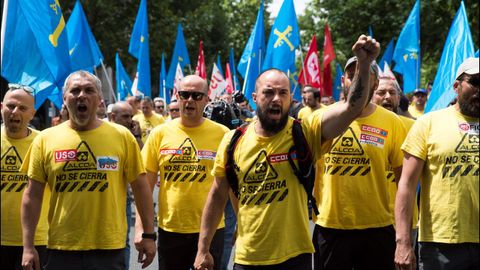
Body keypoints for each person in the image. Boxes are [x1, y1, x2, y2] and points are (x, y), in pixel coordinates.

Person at [194, 35, 380, 270]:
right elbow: (217, 195)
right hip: (248, 257)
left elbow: (351, 108)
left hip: (295, 258)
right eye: (268, 93)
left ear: (291, 98)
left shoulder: (306, 133)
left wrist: (364, 65)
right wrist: (203, 249)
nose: (276, 99)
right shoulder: (233, 141)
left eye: (283, 93)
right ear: (254, 98)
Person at [20, 71, 156, 270]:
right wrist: (28, 246)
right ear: (65, 99)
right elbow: (32, 196)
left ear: (100, 99)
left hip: (109, 248)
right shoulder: (45, 139)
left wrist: (149, 235)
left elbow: (141, 187)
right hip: (61, 248)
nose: (81, 95)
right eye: (75, 91)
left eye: (88, 90)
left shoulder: (122, 137)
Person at [311, 55, 406, 270]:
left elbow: (404, 184)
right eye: (351, 77)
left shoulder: (392, 122)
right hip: (330, 226)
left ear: (374, 83)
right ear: (342, 80)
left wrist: (403, 235)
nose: (356, 82)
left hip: (378, 227)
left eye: (362, 76)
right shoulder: (322, 118)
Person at [394, 57, 479, 270]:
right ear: (456, 86)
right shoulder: (428, 123)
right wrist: (403, 242)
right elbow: (406, 185)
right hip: (441, 243)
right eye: (475, 81)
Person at [140, 75, 229, 270]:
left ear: (207, 99)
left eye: (196, 95)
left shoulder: (223, 134)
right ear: (177, 97)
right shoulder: (160, 134)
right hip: (170, 229)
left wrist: (241, 224)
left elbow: (230, 184)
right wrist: (143, 230)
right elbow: (144, 187)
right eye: (185, 94)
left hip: (212, 230)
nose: (190, 100)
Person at [1, 84, 49, 270]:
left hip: (37, 241)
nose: (15, 112)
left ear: (32, 113)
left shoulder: (45, 143)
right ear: (1, 107)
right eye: (10, 106)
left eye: (22, 108)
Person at [371, 75, 419, 244]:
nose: (387, 97)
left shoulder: (415, 127)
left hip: (405, 219)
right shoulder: (358, 125)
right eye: (381, 92)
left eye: (392, 92)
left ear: (399, 98)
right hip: (372, 220)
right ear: (371, 94)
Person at [109, 101, 144, 270]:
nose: (130, 120)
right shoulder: (103, 133)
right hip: (104, 196)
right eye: (125, 116)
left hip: (123, 196)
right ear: (112, 117)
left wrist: (137, 136)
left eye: (131, 116)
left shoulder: (129, 136)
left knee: (123, 239)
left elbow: (141, 160)